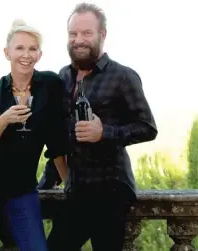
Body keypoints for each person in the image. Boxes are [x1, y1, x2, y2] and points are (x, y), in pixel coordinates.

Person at [47, 3, 158, 251]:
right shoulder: (63, 77)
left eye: (86, 33)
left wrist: (104, 132)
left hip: (112, 190)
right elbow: (61, 134)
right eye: (73, 34)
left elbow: (147, 127)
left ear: (102, 35)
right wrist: (50, 179)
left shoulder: (123, 76)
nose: (78, 40)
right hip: (78, 190)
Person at [0, 19, 68, 251]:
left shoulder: (49, 85)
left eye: (32, 48)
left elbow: (56, 141)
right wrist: (3, 120)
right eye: (19, 48)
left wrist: (69, 184)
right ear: (7, 53)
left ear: (39, 54)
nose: (26, 55)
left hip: (21, 190)